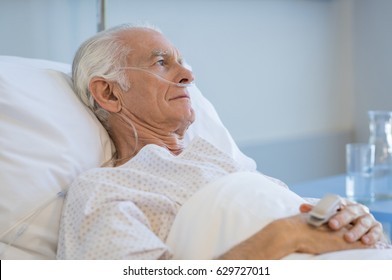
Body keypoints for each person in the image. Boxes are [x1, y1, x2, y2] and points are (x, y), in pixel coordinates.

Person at [57, 23, 387, 260]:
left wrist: (354, 220)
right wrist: (285, 236)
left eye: (181, 62)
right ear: (109, 92)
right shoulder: (103, 189)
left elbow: (289, 211)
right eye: (161, 62)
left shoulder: (216, 161)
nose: (188, 75)